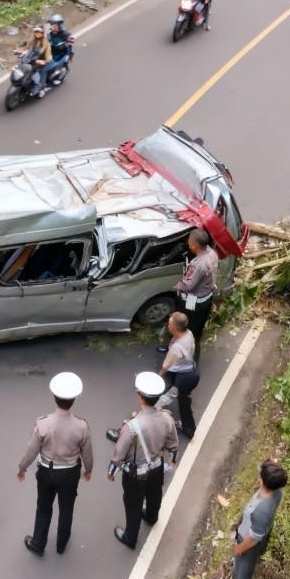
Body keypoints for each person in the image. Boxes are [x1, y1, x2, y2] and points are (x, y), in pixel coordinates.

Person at [17, 371, 94, 556]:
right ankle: (61, 544)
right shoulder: (82, 426)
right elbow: (87, 452)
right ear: (74, 399)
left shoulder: (42, 423)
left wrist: (22, 468)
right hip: (70, 473)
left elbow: (31, 450)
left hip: (46, 471)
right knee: (67, 509)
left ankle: (38, 543)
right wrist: (88, 470)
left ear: (54, 397)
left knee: (43, 507)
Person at [108, 371, 178, 550]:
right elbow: (172, 444)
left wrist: (112, 471)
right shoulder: (167, 418)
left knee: (133, 503)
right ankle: (152, 517)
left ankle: (130, 537)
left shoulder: (132, 426)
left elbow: (119, 452)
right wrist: (172, 459)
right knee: (155, 494)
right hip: (156, 467)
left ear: (140, 397)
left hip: (135, 474)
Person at [232, 460, 288, 579]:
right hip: (254, 533)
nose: (258, 477)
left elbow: (253, 539)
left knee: (241, 577)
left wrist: (239, 549)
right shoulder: (276, 493)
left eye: (261, 475)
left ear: (264, 482)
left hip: (248, 546)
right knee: (240, 569)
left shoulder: (262, 511)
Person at [175, 228, 218, 363]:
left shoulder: (198, 265)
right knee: (197, 329)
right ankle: (193, 353)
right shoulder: (212, 253)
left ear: (194, 246)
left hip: (194, 302)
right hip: (206, 298)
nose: (188, 244)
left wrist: (176, 286)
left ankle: (190, 358)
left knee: (188, 328)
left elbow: (188, 286)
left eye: (189, 242)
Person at [155, 312, 199, 438]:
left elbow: (165, 367)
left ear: (174, 328)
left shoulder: (176, 349)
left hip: (185, 377)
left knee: (180, 400)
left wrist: (158, 377)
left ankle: (189, 429)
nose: (168, 326)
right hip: (190, 369)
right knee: (182, 397)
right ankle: (187, 426)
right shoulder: (188, 333)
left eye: (169, 324)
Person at [14, 25, 52, 98]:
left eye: (39, 32)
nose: (37, 33)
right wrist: (20, 50)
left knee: (37, 74)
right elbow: (28, 47)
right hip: (33, 59)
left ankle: (41, 88)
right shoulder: (34, 40)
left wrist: (44, 61)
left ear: (42, 33)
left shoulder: (46, 43)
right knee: (23, 66)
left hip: (43, 61)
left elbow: (47, 55)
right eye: (36, 32)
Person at [43, 13, 74, 86]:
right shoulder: (48, 29)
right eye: (52, 23)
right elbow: (44, 34)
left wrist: (68, 42)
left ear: (60, 24)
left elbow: (69, 41)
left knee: (54, 65)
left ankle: (56, 77)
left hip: (60, 51)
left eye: (56, 24)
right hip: (50, 48)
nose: (53, 25)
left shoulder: (65, 32)